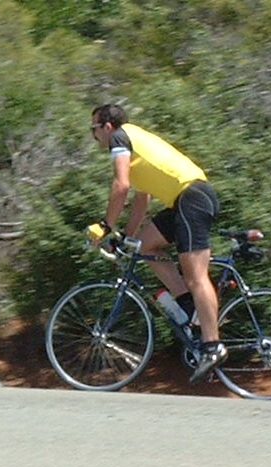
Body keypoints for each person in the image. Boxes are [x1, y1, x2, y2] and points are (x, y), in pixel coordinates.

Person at [86, 103, 226, 383]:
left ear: (107, 127)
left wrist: (106, 226)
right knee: (145, 246)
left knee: (196, 276)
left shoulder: (120, 139)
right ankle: (189, 307)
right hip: (185, 200)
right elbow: (141, 199)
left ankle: (213, 345)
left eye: (94, 130)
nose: (94, 136)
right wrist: (126, 237)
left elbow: (121, 186)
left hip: (191, 197)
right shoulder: (134, 141)